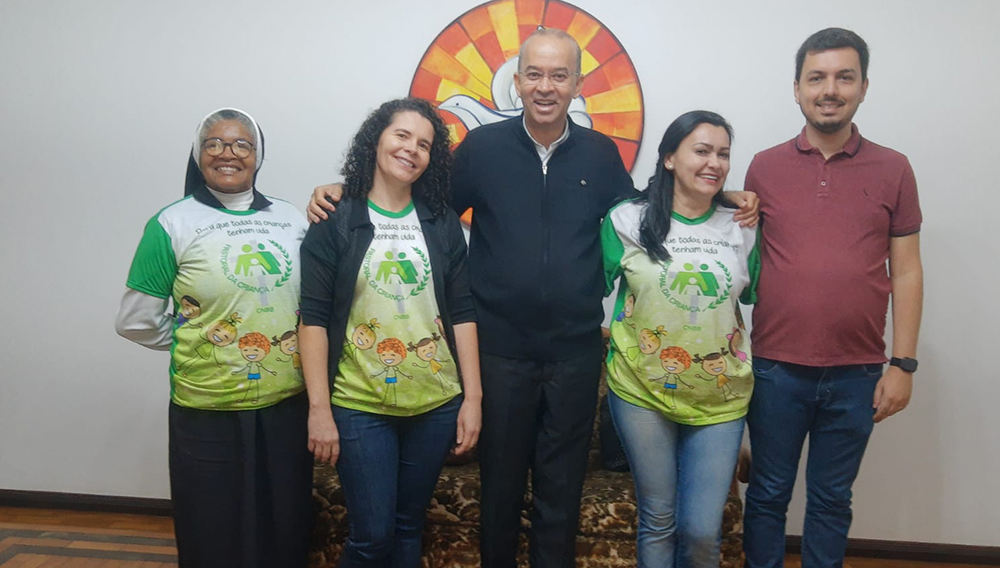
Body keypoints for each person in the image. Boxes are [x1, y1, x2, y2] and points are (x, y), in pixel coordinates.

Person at [308, 29, 759, 568]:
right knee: (499, 483)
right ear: (517, 81)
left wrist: (720, 194)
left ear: (578, 85)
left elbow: (644, 210)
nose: (546, 86)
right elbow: (414, 200)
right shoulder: (483, 150)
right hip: (500, 349)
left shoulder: (598, 151)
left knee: (560, 487)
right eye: (535, 74)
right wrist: (342, 189)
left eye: (559, 75)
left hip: (573, 352)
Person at [742, 28, 923, 568]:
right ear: (796, 89)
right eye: (816, 77)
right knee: (768, 494)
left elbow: (908, 271)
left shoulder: (894, 168)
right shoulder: (763, 166)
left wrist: (903, 364)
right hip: (775, 367)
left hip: (858, 371)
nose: (830, 89)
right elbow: (736, 258)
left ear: (864, 87)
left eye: (844, 77)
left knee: (830, 499)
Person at [115, 108, 312, 567]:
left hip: (286, 404)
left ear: (257, 156)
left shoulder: (292, 220)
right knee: (211, 527)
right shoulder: (171, 224)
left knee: (285, 521)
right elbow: (135, 319)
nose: (228, 154)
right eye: (215, 144)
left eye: (242, 144)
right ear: (198, 154)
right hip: (207, 406)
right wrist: (200, 340)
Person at [298, 98, 482, 568]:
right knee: (372, 536)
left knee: (407, 528)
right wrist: (319, 409)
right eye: (402, 135)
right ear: (376, 139)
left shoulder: (441, 223)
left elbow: (462, 312)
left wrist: (473, 400)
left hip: (437, 402)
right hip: (359, 404)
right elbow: (313, 319)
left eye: (424, 144)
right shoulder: (335, 218)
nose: (411, 149)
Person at [602, 110, 759, 568]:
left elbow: (763, 297)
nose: (714, 162)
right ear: (669, 157)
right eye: (701, 150)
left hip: (721, 396)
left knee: (701, 531)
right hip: (640, 392)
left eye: (723, 154)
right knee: (659, 519)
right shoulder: (626, 221)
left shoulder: (742, 227)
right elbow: (581, 287)